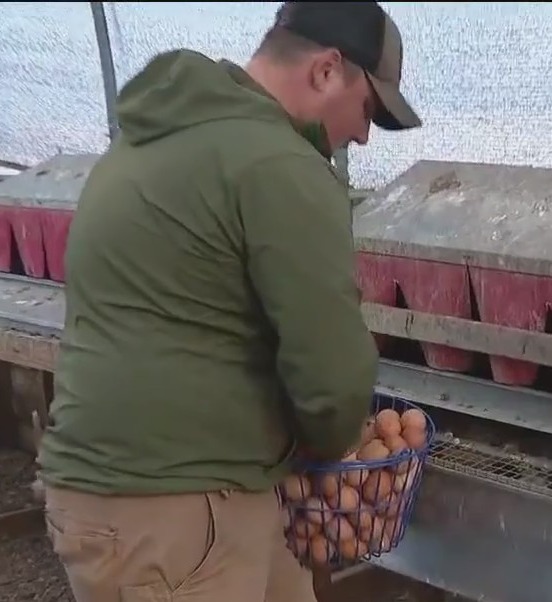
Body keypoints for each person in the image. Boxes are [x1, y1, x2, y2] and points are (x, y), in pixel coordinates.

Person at [35, 2, 421, 601]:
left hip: (144, 493)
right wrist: (337, 444)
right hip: (172, 509)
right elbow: (332, 374)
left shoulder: (156, 136)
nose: (363, 134)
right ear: (325, 70)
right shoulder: (278, 163)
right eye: (368, 108)